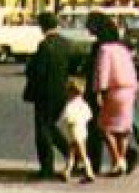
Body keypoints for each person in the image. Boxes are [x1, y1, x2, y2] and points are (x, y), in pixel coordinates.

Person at [22, 12, 70, 179]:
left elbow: (38, 71)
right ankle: (70, 151)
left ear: (43, 26)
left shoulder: (45, 46)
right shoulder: (66, 44)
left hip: (44, 93)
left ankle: (47, 167)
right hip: (61, 91)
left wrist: (30, 66)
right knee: (50, 126)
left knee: (43, 130)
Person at [91, 15, 138, 176]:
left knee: (105, 127)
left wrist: (99, 90)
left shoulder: (105, 49)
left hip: (114, 90)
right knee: (123, 129)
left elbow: (102, 72)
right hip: (129, 90)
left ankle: (117, 159)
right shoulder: (123, 48)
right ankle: (121, 159)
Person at [56, 78, 96, 183]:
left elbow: (67, 117)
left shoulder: (70, 105)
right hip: (82, 130)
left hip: (73, 130)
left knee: (80, 152)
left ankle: (89, 171)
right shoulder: (83, 104)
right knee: (73, 152)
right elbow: (89, 115)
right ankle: (67, 170)